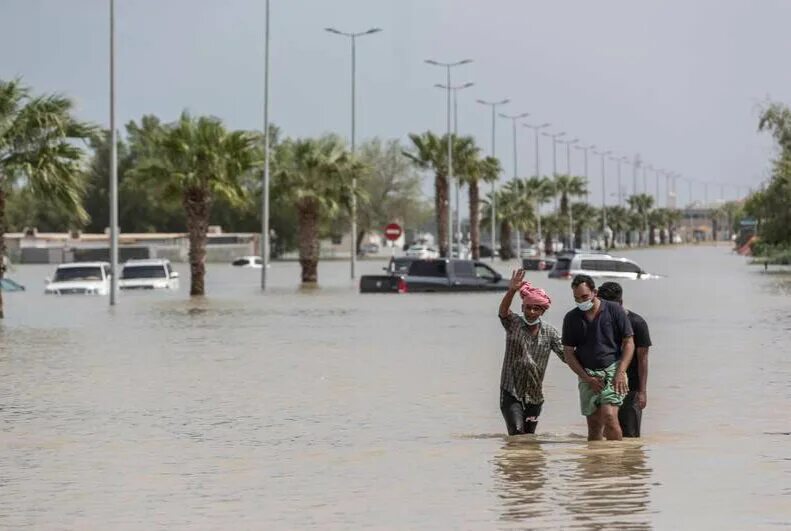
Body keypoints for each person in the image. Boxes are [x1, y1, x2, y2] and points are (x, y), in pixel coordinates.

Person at [561, 274, 635, 441]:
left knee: (609, 416)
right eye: (576, 298)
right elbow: (568, 352)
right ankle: (596, 464)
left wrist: (621, 372)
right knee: (594, 425)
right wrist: (587, 378)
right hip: (587, 374)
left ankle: (617, 461)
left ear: (594, 292)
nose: (581, 301)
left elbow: (629, 342)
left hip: (612, 370)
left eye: (584, 297)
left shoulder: (614, 310)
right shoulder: (572, 318)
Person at [497, 269, 564, 435]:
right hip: (511, 390)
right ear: (522, 307)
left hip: (534, 395)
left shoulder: (551, 333)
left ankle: (527, 462)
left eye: (536, 309)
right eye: (528, 308)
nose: (532, 312)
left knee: (529, 437)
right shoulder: (514, 323)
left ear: (543, 311)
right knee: (517, 433)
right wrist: (512, 290)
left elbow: (567, 356)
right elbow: (503, 312)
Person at [597, 281, 652, 438]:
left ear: (620, 303)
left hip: (631, 388)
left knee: (630, 437)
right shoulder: (597, 321)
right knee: (602, 435)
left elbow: (643, 360)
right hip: (604, 384)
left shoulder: (637, 323)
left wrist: (642, 392)